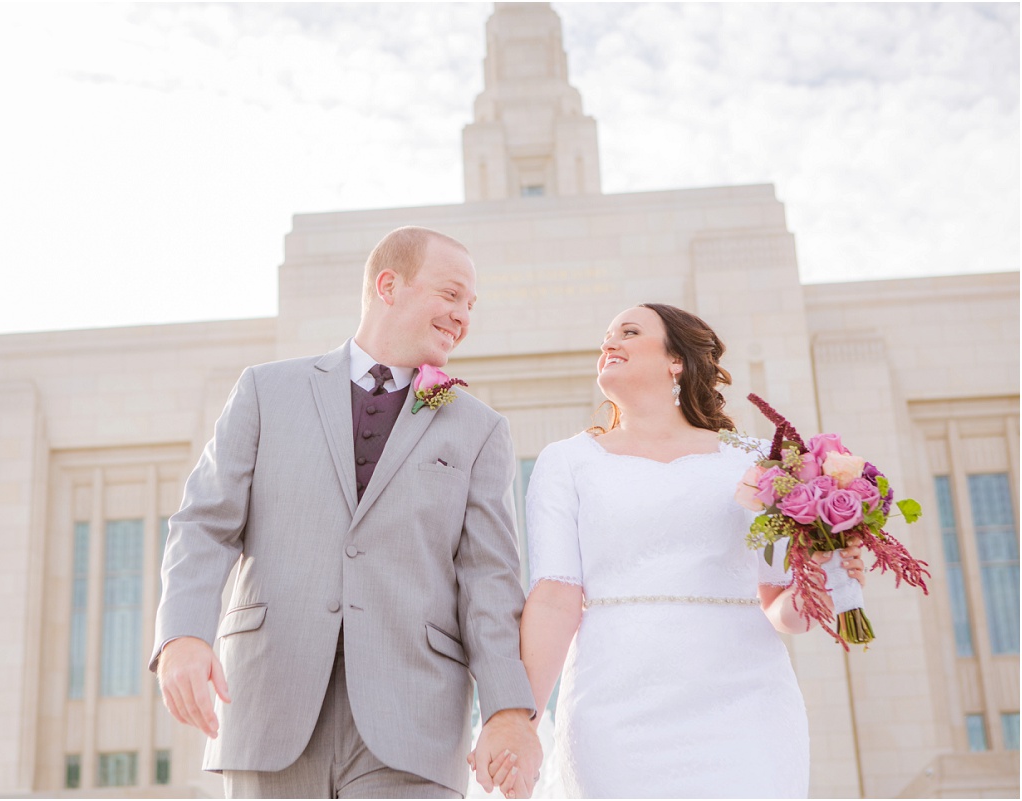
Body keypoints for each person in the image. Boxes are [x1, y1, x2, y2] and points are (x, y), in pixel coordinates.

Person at [150, 226, 542, 799]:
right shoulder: (266, 391)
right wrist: (184, 635)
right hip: (270, 701)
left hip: (415, 718)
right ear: (389, 285)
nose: (463, 316)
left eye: (471, 306)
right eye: (451, 294)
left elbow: (489, 578)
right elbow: (204, 524)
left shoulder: (478, 429)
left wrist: (508, 708)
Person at [511, 303, 865, 798]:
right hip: (613, 705)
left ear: (676, 360)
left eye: (628, 332)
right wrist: (521, 721)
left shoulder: (756, 459)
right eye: (605, 338)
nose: (608, 344)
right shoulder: (566, 462)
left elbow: (783, 610)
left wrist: (825, 578)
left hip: (746, 708)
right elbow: (553, 598)